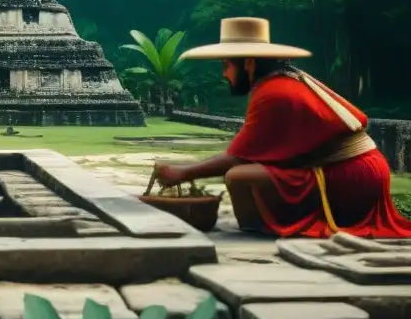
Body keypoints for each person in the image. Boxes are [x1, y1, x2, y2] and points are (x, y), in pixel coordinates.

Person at [154, 17, 411, 239]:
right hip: (364, 169)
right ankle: (261, 226)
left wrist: (182, 173)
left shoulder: (273, 92)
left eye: (226, 65)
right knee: (245, 174)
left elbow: (238, 157)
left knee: (238, 176)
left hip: (352, 175)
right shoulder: (284, 80)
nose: (224, 74)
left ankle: (258, 229)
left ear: (249, 63)